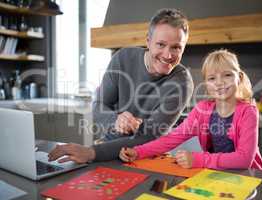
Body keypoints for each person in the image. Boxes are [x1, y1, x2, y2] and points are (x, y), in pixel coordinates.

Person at [48, 8, 194, 163]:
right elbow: (98, 106)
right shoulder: (123, 58)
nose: (168, 55)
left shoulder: (182, 82)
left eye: (176, 47)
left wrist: (92, 153)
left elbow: (151, 137)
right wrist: (115, 120)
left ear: (183, 47)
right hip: (107, 148)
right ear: (148, 42)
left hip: (146, 155)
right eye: (161, 44)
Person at [119, 49, 262, 170]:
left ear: (238, 78)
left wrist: (198, 160)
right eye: (212, 78)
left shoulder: (248, 112)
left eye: (227, 75)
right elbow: (171, 139)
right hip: (217, 174)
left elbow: (244, 159)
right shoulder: (202, 110)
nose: (219, 83)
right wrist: (138, 152)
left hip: (247, 176)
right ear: (206, 83)